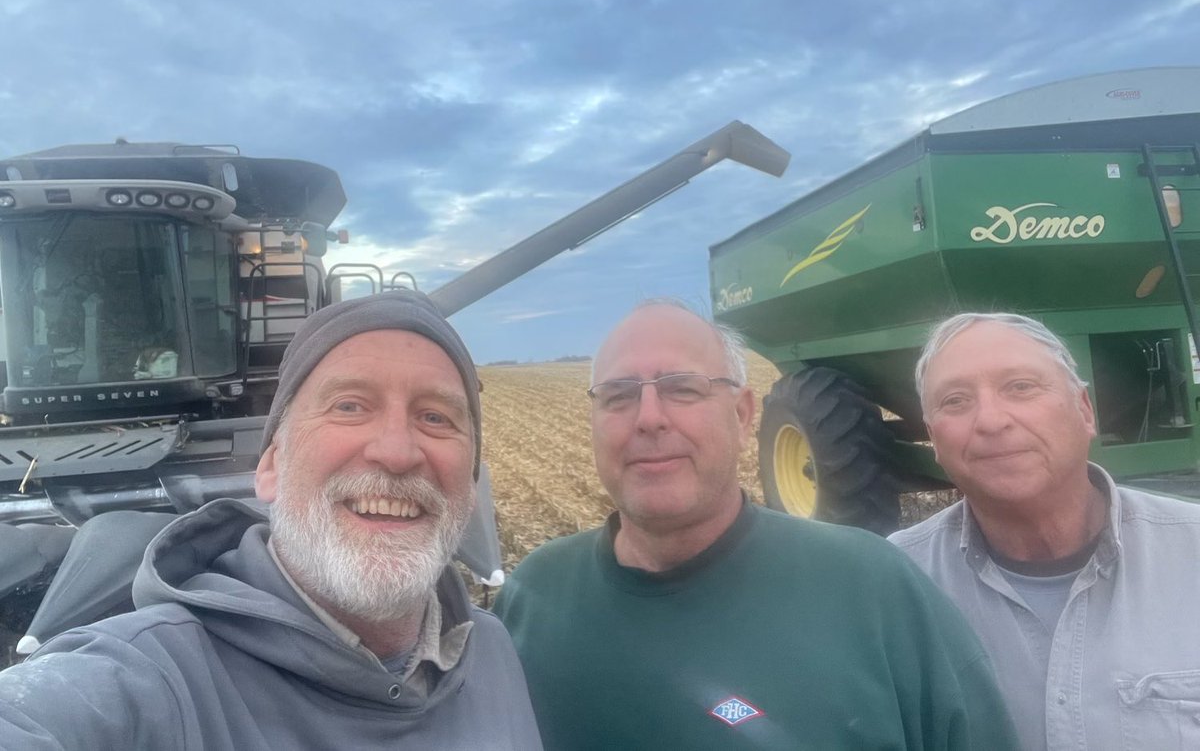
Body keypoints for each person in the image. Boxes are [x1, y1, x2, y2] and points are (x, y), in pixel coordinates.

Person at [0, 290, 542, 750]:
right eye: (349, 406)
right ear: (270, 467)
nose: (397, 452)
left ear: (471, 488)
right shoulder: (150, 679)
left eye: (436, 417)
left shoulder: (490, 649)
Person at [493, 300, 1018, 750]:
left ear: (743, 415)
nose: (648, 417)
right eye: (619, 395)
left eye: (683, 389)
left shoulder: (873, 589)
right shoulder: (534, 598)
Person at [890, 312, 1200, 751]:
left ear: (1084, 411)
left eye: (1021, 387)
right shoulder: (892, 585)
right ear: (933, 439)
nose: (991, 420)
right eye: (956, 400)